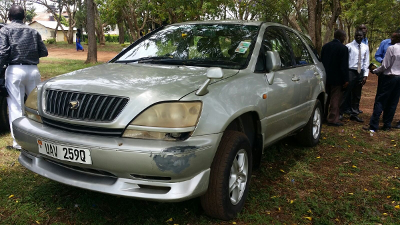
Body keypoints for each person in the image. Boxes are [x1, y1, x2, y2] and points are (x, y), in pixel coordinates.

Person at [0, 4, 48, 150]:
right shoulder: (33, 31)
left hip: (14, 70)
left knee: (15, 106)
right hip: (33, 70)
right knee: (36, 106)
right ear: (24, 17)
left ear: (9, 16)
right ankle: (39, 139)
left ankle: (18, 143)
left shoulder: (5, 30)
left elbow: (2, 53)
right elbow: (44, 51)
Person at [364, 32, 400, 132]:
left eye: (393, 38)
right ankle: (387, 124)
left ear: (397, 39)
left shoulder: (391, 49)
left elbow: (385, 65)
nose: (390, 39)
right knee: (393, 101)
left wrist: (375, 71)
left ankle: (373, 125)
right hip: (399, 79)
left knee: (380, 100)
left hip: (389, 78)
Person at [321, 29, 349, 126]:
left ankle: (323, 117)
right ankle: (332, 119)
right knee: (335, 99)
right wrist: (346, 79)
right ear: (341, 37)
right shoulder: (343, 49)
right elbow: (344, 66)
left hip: (325, 76)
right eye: (344, 37)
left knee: (326, 98)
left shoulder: (325, 47)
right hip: (337, 79)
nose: (345, 39)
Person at [341, 30, 369, 123]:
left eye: (360, 35)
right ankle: (340, 113)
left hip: (360, 72)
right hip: (350, 71)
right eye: (356, 35)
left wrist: (365, 75)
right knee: (345, 93)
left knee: (357, 94)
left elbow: (366, 62)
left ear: (363, 36)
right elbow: (344, 61)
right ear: (354, 36)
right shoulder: (348, 46)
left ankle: (354, 114)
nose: (358, 37)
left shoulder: (365, 47)